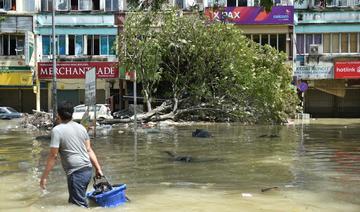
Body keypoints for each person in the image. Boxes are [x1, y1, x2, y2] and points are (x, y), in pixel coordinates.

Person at [40, 101, 103, 208]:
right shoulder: (81, 128)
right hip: (87, 170)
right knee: (74, 203)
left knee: (78, 206)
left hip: (76, 173)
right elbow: (89, 150)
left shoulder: (57, 130)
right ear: (72, 114)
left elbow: (53, 156)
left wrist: (44, 177)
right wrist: (98, 169)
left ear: (58, 115)